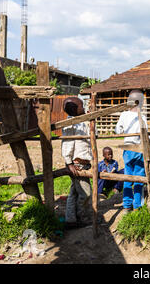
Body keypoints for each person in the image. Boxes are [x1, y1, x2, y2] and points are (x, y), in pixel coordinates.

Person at [115, 90, 150, 213]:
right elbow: (145, 135)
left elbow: (118, 131)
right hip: (139, 149)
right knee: (138, 178)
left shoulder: (124, 115)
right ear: (141, 103)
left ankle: (126, 205)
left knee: (128, 177)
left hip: (127, 150)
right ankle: (137, 205)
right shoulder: (142, 116)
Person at [61, 97, 93, 229]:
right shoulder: (71, 123)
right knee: (86, 193)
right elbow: (67, 144)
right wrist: (69, 163)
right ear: (75, 109)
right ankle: (82, 218)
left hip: (81, 164)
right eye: (81, 106)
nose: (84, 107)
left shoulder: (80, 121)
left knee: (74, 192)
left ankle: (70, 219)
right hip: (76, 164)